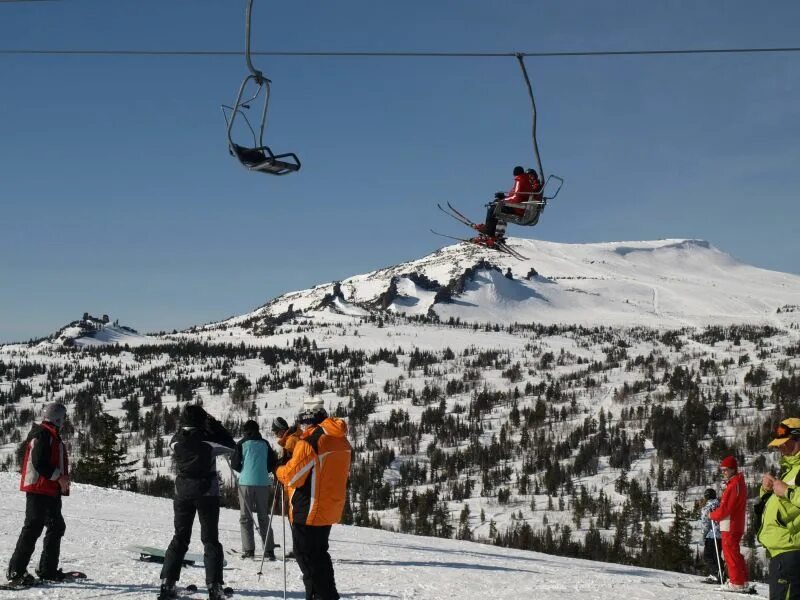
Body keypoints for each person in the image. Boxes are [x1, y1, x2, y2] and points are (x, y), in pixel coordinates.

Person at [276, 399, 352, 600]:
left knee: (306, 557)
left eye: (303, 422)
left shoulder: (311, 442)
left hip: (309, 508)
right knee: (319, 556)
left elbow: (292, 476)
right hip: (329, 507)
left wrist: (278, 470)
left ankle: (321, 596)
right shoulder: (340, 439)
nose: (302, 427)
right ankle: (322, 595)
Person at [159, 405, 235, 600]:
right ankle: (214, 586)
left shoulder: (176, 440)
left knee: (180, 537)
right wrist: (215, 425)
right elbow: (230, 445)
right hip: (206, 492)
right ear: (201, 420)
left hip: (183, 491)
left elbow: (179, 438)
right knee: (210, 540)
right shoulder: (208, 440)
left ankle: (167, 584)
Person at [7, 403, 71, 586]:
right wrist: (59, 477)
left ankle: (48, 570)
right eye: (63, 417)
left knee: (56, 526)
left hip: (49, 489)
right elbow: (39, 462)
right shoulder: (42, 434)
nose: (65, 421)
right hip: (38, 488)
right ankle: (16, 571)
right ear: (57, 418)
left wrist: (60, 481)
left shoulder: (51, 434)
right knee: (33, 526)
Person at [757, 418, 800, 600]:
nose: (781, 449)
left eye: (786, 444)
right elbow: (780, 506)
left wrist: (787, 491)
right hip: (783, 552)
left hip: (792, 551)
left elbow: (788, 495)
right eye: (779, 445)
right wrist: (766, 492)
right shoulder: (790, 469)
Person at [230, 420, 278, 561]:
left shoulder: (241, 444)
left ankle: (249, 550)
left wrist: (244, 470)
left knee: (246, 518)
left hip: (245, 483)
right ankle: (269, 550)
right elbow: (271, 463)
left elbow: (234, 464)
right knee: (264, 517)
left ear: (245, 431)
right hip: (263, 483)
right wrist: (263, 471)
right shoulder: (265, 444)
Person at [710, 455, 750, 592]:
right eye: (722, 470)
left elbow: (726, 508)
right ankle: (742, 581)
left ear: (733, 469)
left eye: (726, 470)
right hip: (735, 523)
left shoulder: (734, 485)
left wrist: (712, 515)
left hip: (730, 524)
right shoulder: (738, 483)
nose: (724, 472)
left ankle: (736, 582)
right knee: (735, 552)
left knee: (730, 553)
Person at [699, 488, 725, 583]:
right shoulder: (720, 504)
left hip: (711, 534)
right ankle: (721, 574)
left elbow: (706, 523)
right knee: (717, 555)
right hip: (721, 534)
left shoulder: (707, 507)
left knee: (708, 555)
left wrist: (703, 535)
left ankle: (715, 574)